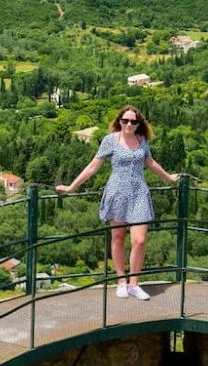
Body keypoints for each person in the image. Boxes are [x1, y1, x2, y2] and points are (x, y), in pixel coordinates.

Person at [55, 105, 179, 301]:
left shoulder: (142, 140)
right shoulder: (110, 140)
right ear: (119, 121)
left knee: (139, 240)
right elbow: (93, 166)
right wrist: (72, 187)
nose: (129, 124)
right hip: (117, 193)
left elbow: (150, 162)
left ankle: (134, 284)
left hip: (138, 193)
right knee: (118, 238)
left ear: (139, 124)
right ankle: (121, 281)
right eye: (125, 120)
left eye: (133, 121)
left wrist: (169, 179)